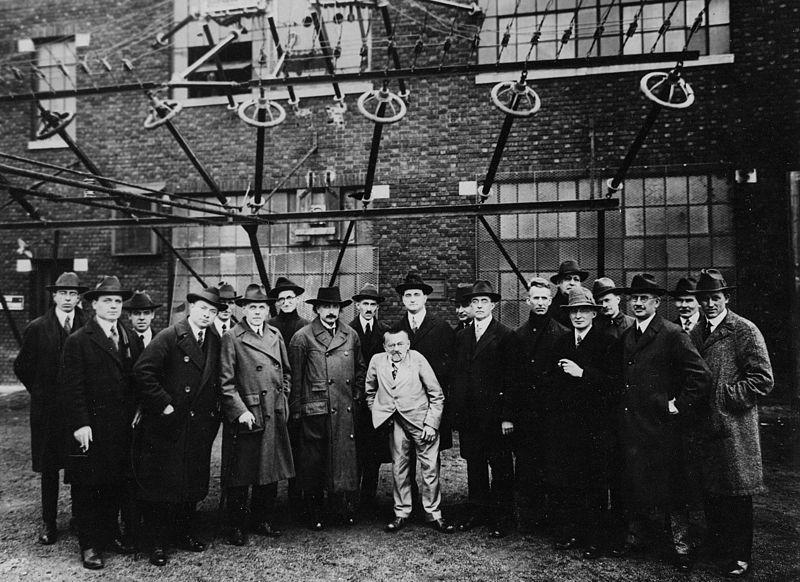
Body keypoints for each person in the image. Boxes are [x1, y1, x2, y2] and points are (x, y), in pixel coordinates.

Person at [617, 273, 711, 573]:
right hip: (635, 424)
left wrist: (677, 405)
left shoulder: (671, 334)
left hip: (663, 427)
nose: (639, 303)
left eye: (645, 298)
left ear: (657, 302)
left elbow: (701, 376)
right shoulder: (628, 335)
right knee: (637, 483)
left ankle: (681, 548)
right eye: (635, 298)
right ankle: (638, 538)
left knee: (672, 490)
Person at [133, 286, 226, 567]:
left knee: (192, 482)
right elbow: (143, 372)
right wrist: (164, 403)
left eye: (212, 311)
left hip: (199, 425)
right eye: (202, 309)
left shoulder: (214, 338)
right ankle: (158, 543)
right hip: (170, 426)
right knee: (164, 485)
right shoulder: (170, 336)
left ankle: (184, 533)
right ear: (191, 309)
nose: (207, 315)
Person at [692, 269, 773, 578]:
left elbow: (763, 379)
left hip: (735, 428)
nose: (710, 304)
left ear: (726, 298)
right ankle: (720, 548)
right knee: (713, 491)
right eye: (704, 299)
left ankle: (740, 556)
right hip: (705, 425)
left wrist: (726, 397)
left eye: (715, 298)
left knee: (737, 494)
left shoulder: (743, 329)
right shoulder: (697, 333)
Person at [61, 276, 138, 569]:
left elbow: (135, 378)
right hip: (92, 426)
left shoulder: (128, 335)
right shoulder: (79, 340)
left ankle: (109, 533)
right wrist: (80, 423)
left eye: (118, 302)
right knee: (88, 484)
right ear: (94, 304)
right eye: (107, 301)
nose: (114, 306)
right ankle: (90, 544)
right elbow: (72, 387)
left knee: (116, 481)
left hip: (121, 425)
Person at [541, 287, 621, 559]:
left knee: (596, 485)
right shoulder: (561, 343)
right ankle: (573, 532)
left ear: (593, 313)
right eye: (573, 311)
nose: (578, 316)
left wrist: (582, 373)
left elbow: (615, 385)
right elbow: (550, 382)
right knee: (569, 482)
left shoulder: (607, 342)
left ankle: (596, 539)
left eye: (583, 310)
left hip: (596, 428)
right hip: (566, 427)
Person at [14, 271, 87, 546]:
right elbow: (22, 366)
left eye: (73, 294)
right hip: (47, 413)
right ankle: (49, 521)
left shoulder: (87, 324)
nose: (68, 299)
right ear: (54, 296)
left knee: (80, 465)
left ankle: (79, 518)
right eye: (63, 293)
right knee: (49, 468)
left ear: (79, 298)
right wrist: (41, 392)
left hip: (77, 411)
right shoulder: (37, 327)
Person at [219, 284, 294, 546]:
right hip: (248, 413)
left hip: (272, 410)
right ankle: (236, 525)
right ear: (244, 309)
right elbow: (226, 382)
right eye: (252, 307)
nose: (257, 312)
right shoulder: (233, 336)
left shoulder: (275, 334)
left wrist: (283, 398)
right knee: (241, 473)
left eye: (262, 307)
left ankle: (263, 519)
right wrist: (239, 410)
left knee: (269, 469)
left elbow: (286, 372)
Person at [288, 286, 366, 530]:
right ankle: (314, 512)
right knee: (314, 463)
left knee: (342, 459)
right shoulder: (303, 337)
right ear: (317, 309)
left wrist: (356, 394)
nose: (331, 312)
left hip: (344, 408)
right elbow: (295, 377)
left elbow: (360, 368)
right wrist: (297, 410)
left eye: (335, 307)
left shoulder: (350, 334)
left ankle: (340, 510)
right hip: (316, 409)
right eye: (326, 307)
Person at [365, 329, 454, 534]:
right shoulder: (377, 361)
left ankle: (434, 513)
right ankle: (401, 513)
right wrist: (379, 410)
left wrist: (431, 424)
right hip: (395, 423)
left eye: (400, 344)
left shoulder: (417, 359)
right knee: (399, 468)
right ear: (385, 347)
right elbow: (369, 391)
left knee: (430, 468)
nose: (396, 349)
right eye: (391, 345)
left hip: (421, 422)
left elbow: (437, 395)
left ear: (408, 345)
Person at [451, 280, 519, 538]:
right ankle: (478, 512)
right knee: (474, 466)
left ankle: (502, 517)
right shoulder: (462, 336)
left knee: (500, 466)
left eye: (483, 302)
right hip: (470, 417)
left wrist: (507, 417)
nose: (478, 306)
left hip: (495, 417)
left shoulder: (505, 335)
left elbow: (513, 380)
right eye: (474, 302)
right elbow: (459, 377)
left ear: (493, 304)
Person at [512, 277, 569, 530]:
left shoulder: (563, 334)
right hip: (527, 413)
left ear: (550, 300)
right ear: (527, 301)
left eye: (545, 298)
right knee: (527, 464)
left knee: (553, 464)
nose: (541, 303)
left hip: (553, 412)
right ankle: (529, 517)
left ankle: (553, 517)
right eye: (536, 298)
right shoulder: (518, 335)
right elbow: (512, 379)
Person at [268, 275, 309, 516]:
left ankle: (297, 501)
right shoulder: (269, 326)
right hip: (274, 395)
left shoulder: (305, 326)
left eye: (290, 298)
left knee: (298, 450)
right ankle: (269, 505)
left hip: (298, 396)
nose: (286, 302)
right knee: (271, 451)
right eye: (281, 299)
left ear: (296, 299)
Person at [348, 283, 392, 511]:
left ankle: (368, 498)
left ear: (377, 308)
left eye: (372, 304)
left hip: (376, 400)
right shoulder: (347, 330)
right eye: (365, 304)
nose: (368, 308)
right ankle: (351, 499)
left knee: (373, 450)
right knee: (353, 450)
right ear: (357, 305)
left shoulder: (385, 332)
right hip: (354, 398)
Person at [547, 260, 589, 327]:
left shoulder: (587, 306)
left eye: (576, 279)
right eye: (567, 279)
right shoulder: (551, 309)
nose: (572, 283)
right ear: (558, 283)